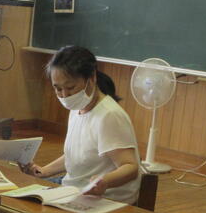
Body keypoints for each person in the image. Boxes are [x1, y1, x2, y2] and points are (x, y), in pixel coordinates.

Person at [23, 45, 141, 203]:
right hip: (73, 188)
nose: (65, 95)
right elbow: (78, 156)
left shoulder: (109, 116)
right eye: (58, 89)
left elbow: (131, 167)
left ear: (92, 77)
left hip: (105, 198)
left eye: (70, 87)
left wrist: (105, 181)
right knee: (19, 195)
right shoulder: (77, 107)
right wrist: (43, 171)